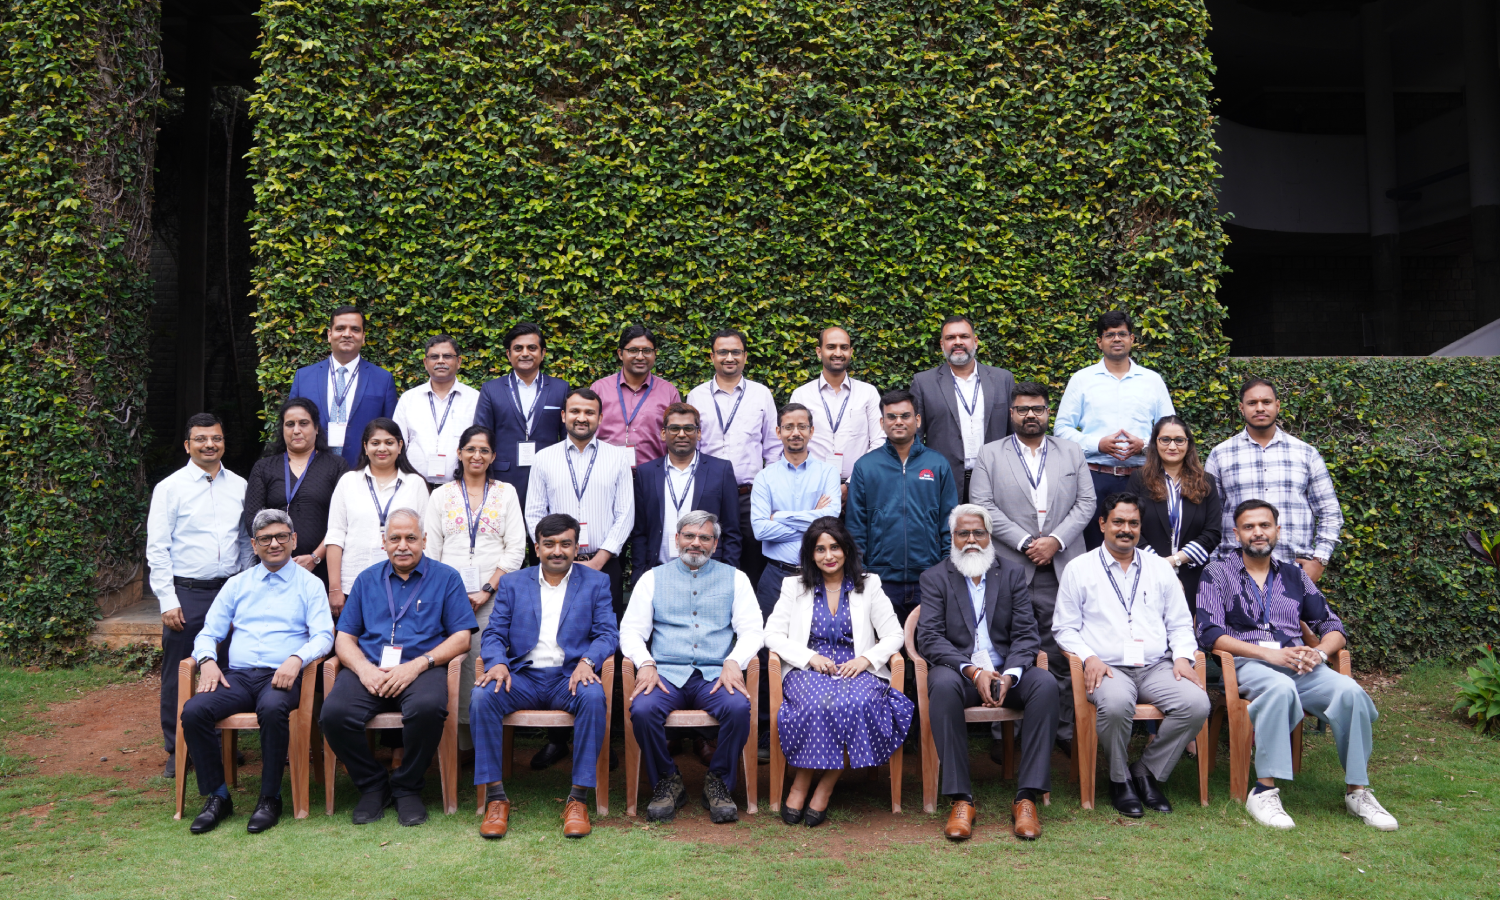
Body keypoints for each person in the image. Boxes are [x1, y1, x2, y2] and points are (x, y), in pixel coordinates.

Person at [1196, 499, 1396, 832]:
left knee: (1350, 692)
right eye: (1249, 527)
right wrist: (1267, 655)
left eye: (1264, 525)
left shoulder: (1294, 576)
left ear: (1277, 530)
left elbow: (1332, 626)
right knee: (1278, 687)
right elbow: (1209, 632)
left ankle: (1357, 791)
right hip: (1249, 664)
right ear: (1236, 533)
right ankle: (1263, 791)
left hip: (1300, 666)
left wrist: (1318, 654)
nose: (1257, 533)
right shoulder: (1217, 573)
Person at [1051, 492, 1211, 817]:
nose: (1126, 529)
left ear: (1140, 527)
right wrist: (1088, 657)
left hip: (1156, 665)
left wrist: (1182, 656)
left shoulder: (1159, 568)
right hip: (1108, 667)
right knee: (1114, 705)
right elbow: (1064, 629)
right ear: (1102, 524)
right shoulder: (1078, 568)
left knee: (1197, 704)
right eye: (1118, 522)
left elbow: (1180, 623)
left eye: (1133, 523)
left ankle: (1146, 772)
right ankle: (1119, 779)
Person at [179, 509, 335, 834]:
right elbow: (209, 632)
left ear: (293, 540)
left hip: (282, 675)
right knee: (194, 710)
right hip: (236, 677)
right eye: (265, 539)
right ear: (254, 544)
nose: (274, 544)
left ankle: (270, 798)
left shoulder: (309, 585)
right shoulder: (238, 584)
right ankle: (218, 797)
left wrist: (296, 658)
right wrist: (207, 661)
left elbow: (323, 635)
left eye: (281, 537)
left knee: (274, 707)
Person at [319, 508, 478, 826]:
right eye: (395, 538)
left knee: (428, 707)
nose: (402, 545)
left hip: (422, 667)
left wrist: (418, 665)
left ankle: (407, 787)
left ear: (424, 540)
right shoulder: (366, 580)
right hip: (371, 668)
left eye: (410, 538)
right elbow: (344, 639)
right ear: (384, 542)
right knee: (333, 715)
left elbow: (462, 638)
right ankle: (373, 785)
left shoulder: (446, 577)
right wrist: (364, 669)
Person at [916, 504, 1060, 841]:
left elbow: (1027, 634)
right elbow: (930, 638)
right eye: (962, 533)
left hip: (1007, 674)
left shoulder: (1011, 574)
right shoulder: (935, 577)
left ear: (989, 536)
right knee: (941, 682)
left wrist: (1009, 674)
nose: (970, 540)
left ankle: (1026, 798)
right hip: (962, 675)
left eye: (978, 533)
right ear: (952, 537)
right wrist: (972, 671)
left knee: (1046, 684)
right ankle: (961, 800)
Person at [471, 514, 618, 839]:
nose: (557, 551)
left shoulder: (596, 582)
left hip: (569, 677)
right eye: (548, 544)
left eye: (565, 544)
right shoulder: (513, 583)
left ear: (576, 547)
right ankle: (496, 798)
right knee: (482, 696)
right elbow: (494, 632)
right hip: (522, 677)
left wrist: (588, 662)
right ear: (536, 548)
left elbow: (608, 633)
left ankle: (577, 799)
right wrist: (496, 662)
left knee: (594, 697)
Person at [763, 517, 912, 826]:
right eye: (820, 550)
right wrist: (809, 657)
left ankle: (822, 788)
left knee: (856, 703)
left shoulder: (869, 584)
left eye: (834, 548)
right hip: (809, 669)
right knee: (817, 703)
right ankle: (803, 782)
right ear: (810, 554)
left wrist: (867, 660)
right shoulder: (794, 586)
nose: (828, 556)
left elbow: (895, 635)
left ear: (846, 549)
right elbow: (772, 635)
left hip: (856, 669)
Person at [970, 381, 1095, 746]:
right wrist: (1027, 542)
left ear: (1047, 413)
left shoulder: (1071, 452)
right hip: (1010, 566)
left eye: (1037, 409)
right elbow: (982, 505)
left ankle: (1063, 730)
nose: (1030, 415)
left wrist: (1054, 541)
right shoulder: (990, 454)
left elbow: (1086, 503)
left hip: (1063, 567)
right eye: (1022, 409)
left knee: (1063, 649)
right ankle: (1004, 734)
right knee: (1006, 647)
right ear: (1011, 414)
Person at [620, 511, 765, 824]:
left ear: (715, 543)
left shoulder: (735, 578)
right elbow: (631, 630)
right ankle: (668, 780)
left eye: (705, 537)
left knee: (739, 707)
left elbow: (753, 629)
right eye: (689, 536)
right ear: (676, 539)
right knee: (642, 710)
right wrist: (645, 663)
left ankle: (719, 783)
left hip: (714, 675)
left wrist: (733, 661)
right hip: (665, 676)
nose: (696, 543)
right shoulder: (652, 579)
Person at [146, 413, 254, 777]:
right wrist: (167, 598)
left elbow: (244, 539)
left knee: (226, 669)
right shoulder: (170, 488)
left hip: (229, 589)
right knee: (181, 672)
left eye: (217, 438)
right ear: (188, 445)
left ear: (224, 442)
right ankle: (178, 749)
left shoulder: (239, 485)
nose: (210, 445)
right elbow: (158, 548)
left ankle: (222, 744)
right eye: (201, 439)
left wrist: (243, 582)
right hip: (187, 593)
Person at [423, 425, 526, 745]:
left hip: (494, 597)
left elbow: (516, 548)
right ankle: (454, 742)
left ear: (493, 455)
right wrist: (451, 594)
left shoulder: (506, 492)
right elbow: (430, 551)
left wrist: (488, 590)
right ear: (459, 453)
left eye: (484, 450)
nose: (477, 455)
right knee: (453, 662)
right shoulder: (440, 495)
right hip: (447, 598)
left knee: (485, 658)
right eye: (470, 449)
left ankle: (484, 739)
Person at [1053, 310, 1176, 549]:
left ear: (1132, 339)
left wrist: (1144, 445)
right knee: (1095, 545)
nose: (1117, 339)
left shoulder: (1152, 381)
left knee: (1146, 545)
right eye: (1110, 335)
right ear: (1099, 342)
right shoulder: (1082, 379)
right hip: (1094, 479)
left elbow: (1171, 430)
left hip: (1144, 477)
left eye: (1122, 334)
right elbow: (1061, 429)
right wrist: (1097, 444)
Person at [1204, 378, 1343, 582]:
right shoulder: (1220, 455)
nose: (1260, 408)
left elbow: (1330, 512)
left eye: (1266, 402)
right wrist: (1214, 566)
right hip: (1235, 572)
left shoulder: (1305, 454)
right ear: (1241, 408)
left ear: (1277, 406)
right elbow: (1210, 517)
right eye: (1252, 403)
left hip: (1294, 570)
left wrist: (1319, 560)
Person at [846, 389, 958, 623]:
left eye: (905, 416)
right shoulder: (866, 466)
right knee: (886, 653)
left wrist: (945, 570)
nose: (898, 422)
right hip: (880, 579)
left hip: (929, 578)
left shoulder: (937, 464)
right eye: (891, 416)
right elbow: (855, 527)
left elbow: (950, 523)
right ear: (882, 422)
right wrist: (862, 573)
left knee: (927, 651)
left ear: (917, 420)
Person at [524, 388, 635, 614]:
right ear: (564, 415)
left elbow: (625, 513)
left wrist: (599, 560)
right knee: (554, 627)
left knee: (604, 631)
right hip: (554, 563)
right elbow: (534, 513)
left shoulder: (617, 458)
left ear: (600, 418)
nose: (582, 418)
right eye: (575, 411)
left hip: (604, 564)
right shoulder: (544, 458)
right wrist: (554, 552)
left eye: (589, 412)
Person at [685, 328, 780, 590]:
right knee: (707, 551)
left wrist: (768, 491)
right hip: (709, 492)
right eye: (723, 352)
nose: (729, 357)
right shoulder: (697, 396)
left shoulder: (761, 394)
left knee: (752, 556)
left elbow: (772, 448)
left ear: (745, 356)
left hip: (750, 495)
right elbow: (693, 447)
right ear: (713, 356)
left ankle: (749, 617)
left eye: (735, 352)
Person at [323, 418, 431, 616]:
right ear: (365, 447)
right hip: (352, 583)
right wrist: (335, 588)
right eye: (375, 443)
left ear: (400, 446)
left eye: (389, 442)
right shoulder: (348, 482)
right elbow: (335, 536)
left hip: (406, 583)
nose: (382, 448)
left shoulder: (415, 484)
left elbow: (426, 538)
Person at [243, 398, 350, 587]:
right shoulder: (264, 468)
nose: (296, 430)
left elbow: (344, 521)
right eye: (290, 424)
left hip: (323, 569)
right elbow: (253, 519)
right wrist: (279, 554)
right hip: (273, 568)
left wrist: (315, 557)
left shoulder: (336, 466)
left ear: (316, 428)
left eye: (304, 423)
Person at [909, 315, 1016, 502]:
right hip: (943, 481)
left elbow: (1014, 433)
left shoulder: (1003, 380)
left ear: (975, 341)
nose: (957, 342)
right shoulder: (923, 382)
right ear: (942, 344)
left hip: (995, 480)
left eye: (964, 336)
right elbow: (914, 437)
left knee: (993, 532)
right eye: (950, 338)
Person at [631, 402, 742, 577]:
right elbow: (640, 533)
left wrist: (727, 574)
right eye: (674, 428)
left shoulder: (720, 470)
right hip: (659, 572)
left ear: (698, 433)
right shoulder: (646, 473)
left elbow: (732, 531)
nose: (681, 434)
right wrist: (639, 575)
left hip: (709, 573)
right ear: (663, 433)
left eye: (688, 428)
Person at [1126, 415, 1222, 607]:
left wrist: (1173, 561)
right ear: (1155, 443)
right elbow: (1130, 525)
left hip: (1194, 576)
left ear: (1188, 444)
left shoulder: (1206, 482)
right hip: (1146, 574)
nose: (1172, 446)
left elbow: (1212, 532)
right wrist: (1159, 566)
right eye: (1165, 440)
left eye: (1179, 440)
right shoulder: (1138, 480)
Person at [473, 322, 569, 510]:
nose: (525, 353)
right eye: (518, 348)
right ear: (509, 355)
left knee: (546, 535)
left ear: (542, 354)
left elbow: (567, 435)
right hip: (502, 479)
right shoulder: (491, 389)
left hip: (550, 476)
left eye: (532, 348)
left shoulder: (560, 388)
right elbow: (481, 437)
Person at [287, 306, 399, 464]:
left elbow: (390, 433)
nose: (347, 334)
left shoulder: (383, 379)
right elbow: (290, 426)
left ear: (363, 336)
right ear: (329, 334)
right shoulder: (304, 377)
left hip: (363, 470)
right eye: (340, 328)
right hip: (311, 471)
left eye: (355, 329)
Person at [788, 326, 883, 495]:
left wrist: (850, 484)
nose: (838, 353)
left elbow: (879, 441)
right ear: (819, 352)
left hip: (860, 487)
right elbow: (793, 443)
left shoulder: (868, 393)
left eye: (844, 348)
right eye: (831, 347)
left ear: (851, 352)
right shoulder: (801, 395)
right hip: (812, 489)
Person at [393, 334, 479, 487]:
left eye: (447, 356)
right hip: (414, 487)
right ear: (426, 363)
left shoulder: (475, 399)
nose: (440, 361)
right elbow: (396, 444)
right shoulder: (409, 399)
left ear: (458, 361)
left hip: (460, 487)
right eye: (434, 357)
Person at [591, 324, 683, 467]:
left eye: (647, 351)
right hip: (604, 474)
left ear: (655, 353)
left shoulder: (669, 392)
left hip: (653, 476)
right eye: (633, 350)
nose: (640, 357)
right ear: (620, 353)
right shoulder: (599, 389)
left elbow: (677, 437)